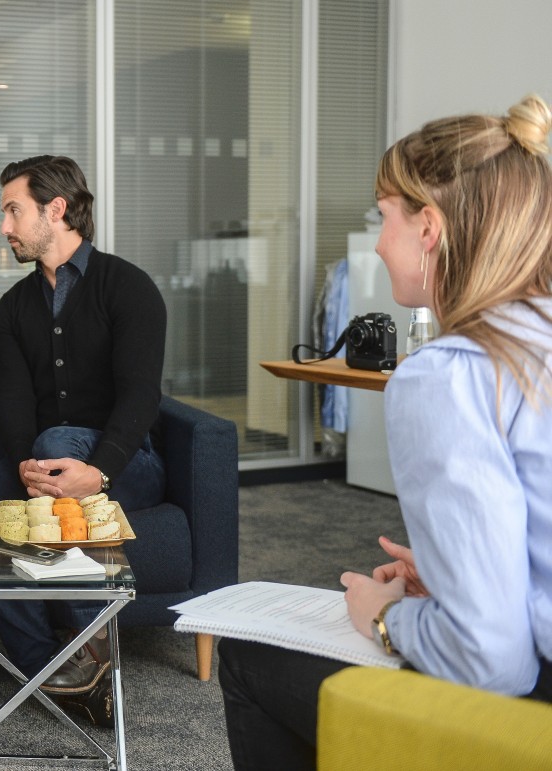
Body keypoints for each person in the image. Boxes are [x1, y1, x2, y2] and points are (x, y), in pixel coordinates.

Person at [219, 94, 552, 770]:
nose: (375, 239)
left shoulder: (449, 376)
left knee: (249, 657)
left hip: (534, 709)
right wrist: (450, 576)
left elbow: (493, 659)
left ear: (429, 227)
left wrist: (383, 616)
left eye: (384, 215)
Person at [0, 155, 168, 722]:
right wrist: (28, 467)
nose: (5, 228)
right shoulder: (13, 309)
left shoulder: (129, 287)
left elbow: (141, 396)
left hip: (127, 464)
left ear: (57, 209)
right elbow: (11, 404)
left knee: (59, 436)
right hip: (45, 459)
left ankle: (93, 658)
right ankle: (45, 673)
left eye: (13, 211)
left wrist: (99, 471)